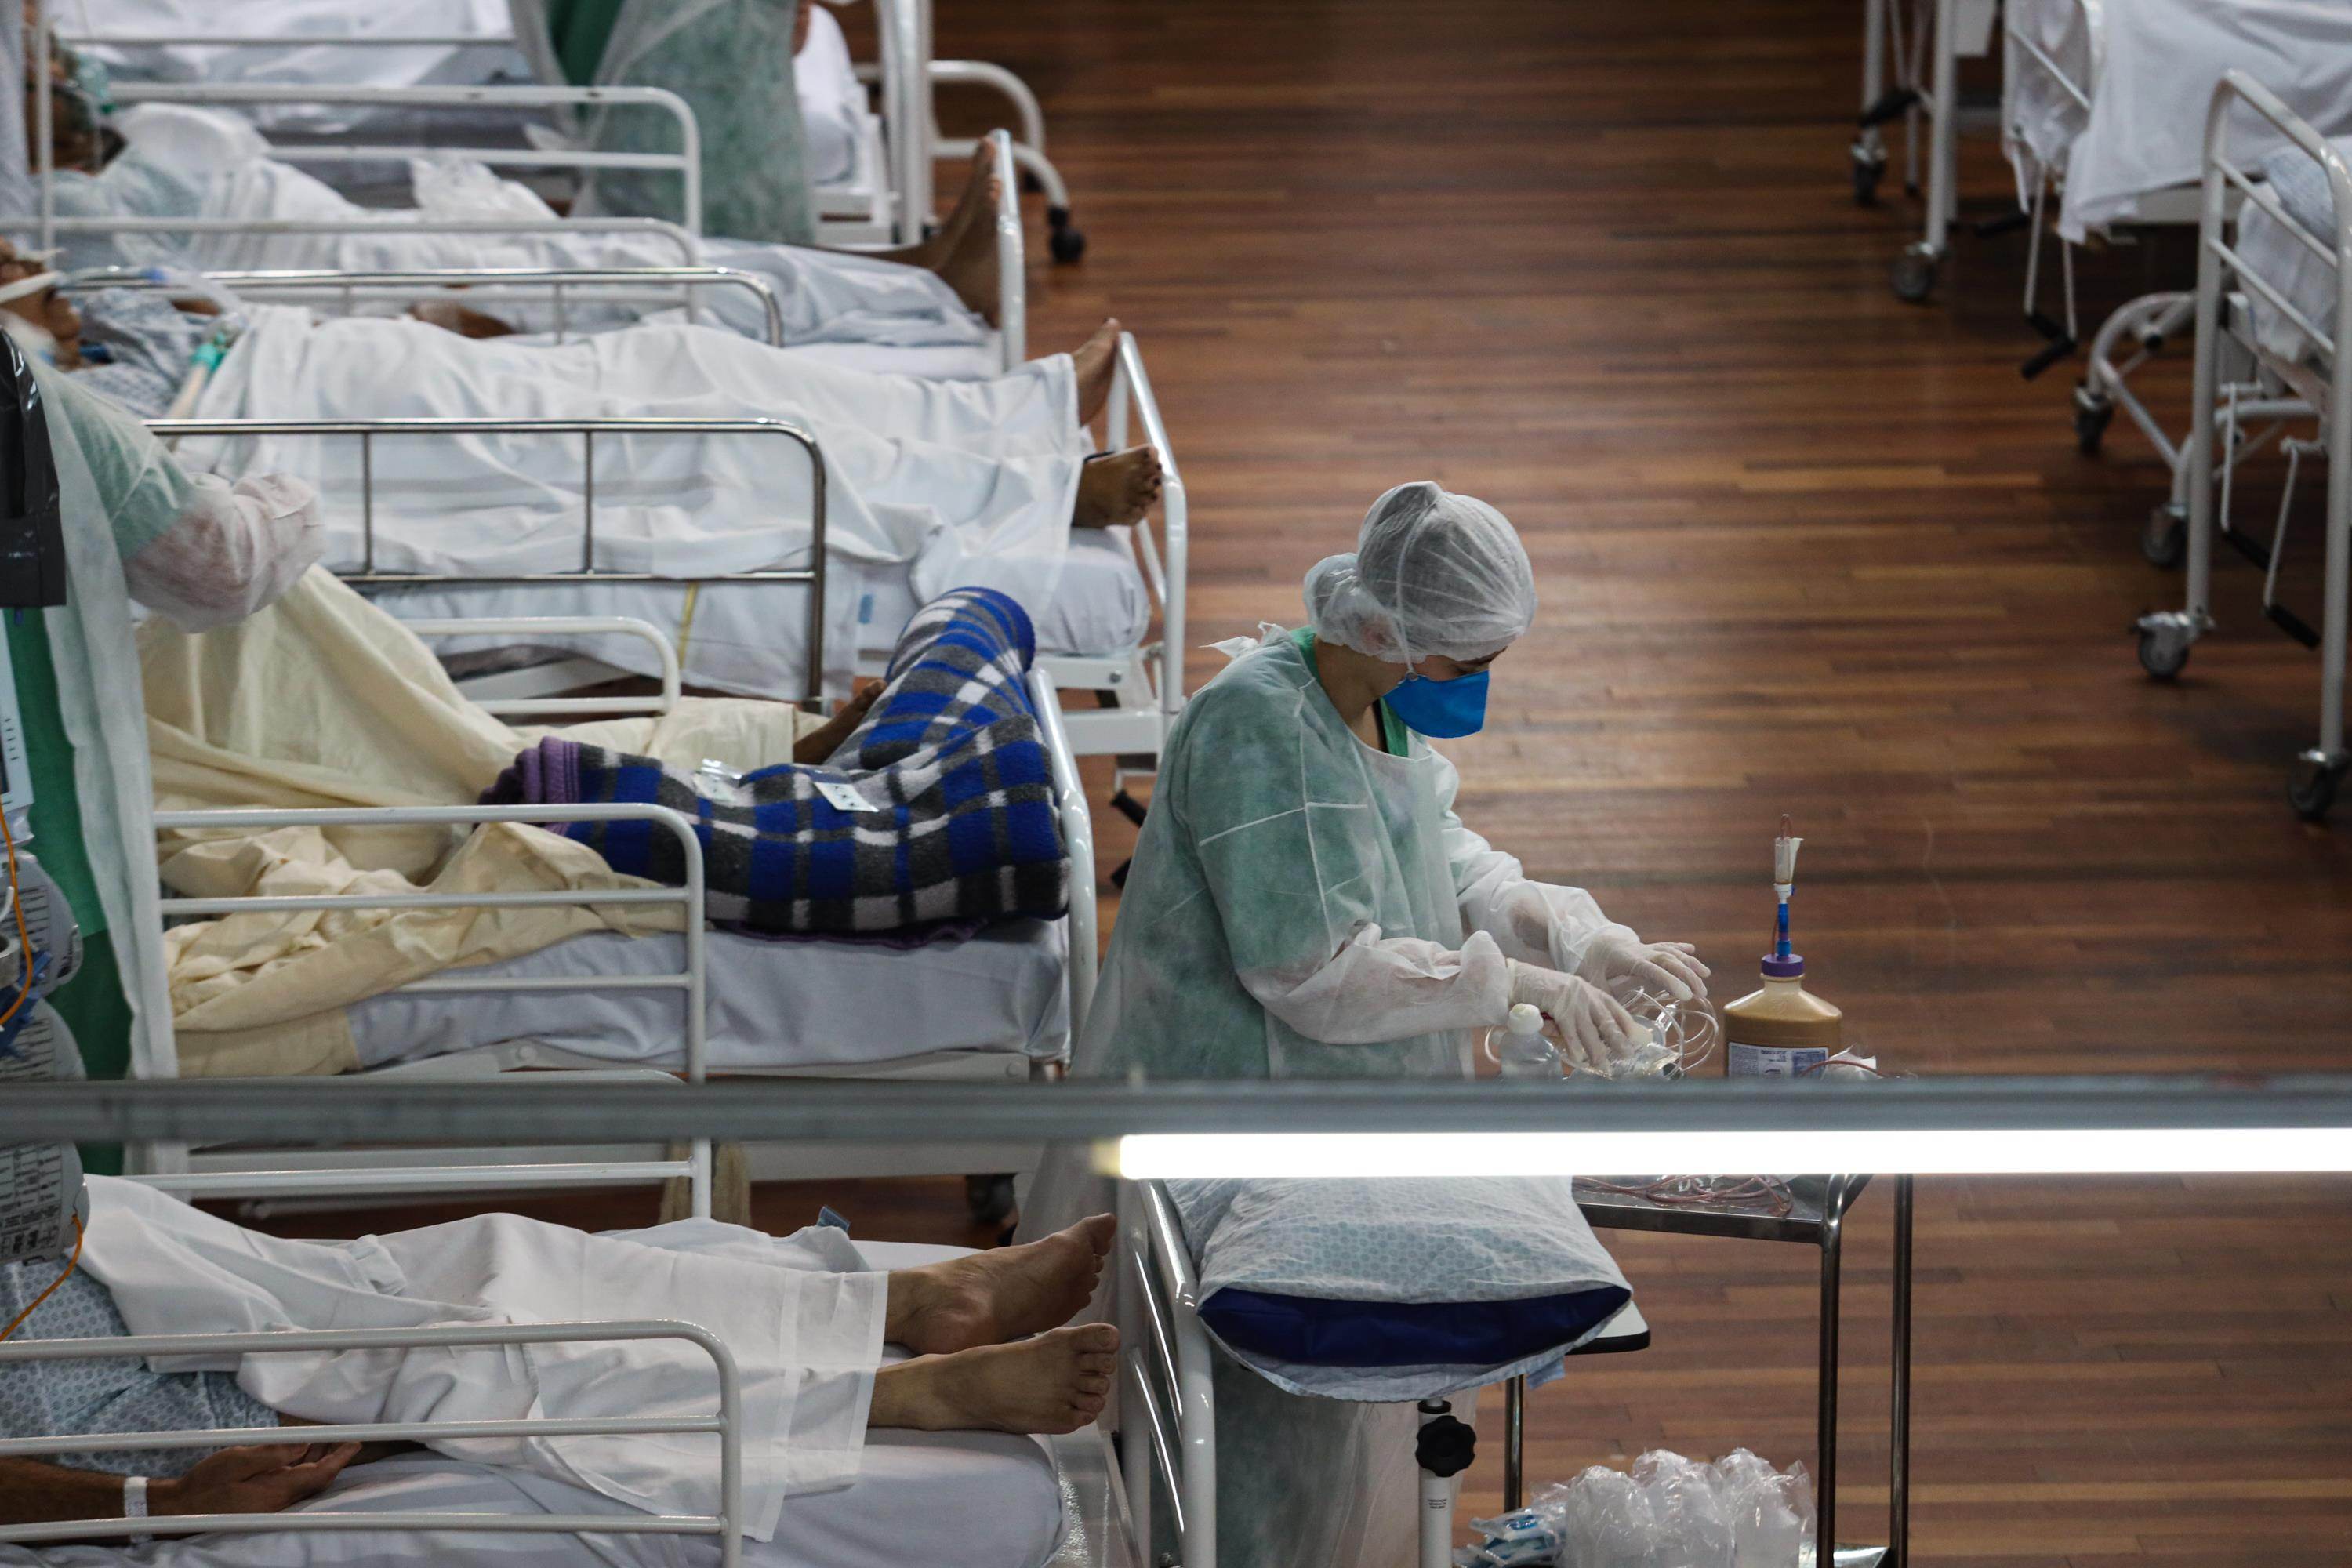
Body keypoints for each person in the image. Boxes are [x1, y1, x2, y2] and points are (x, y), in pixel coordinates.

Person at [1023, 481, 1709, 1568]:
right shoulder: (1259, 729)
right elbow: (1315, 977)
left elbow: (1440, 849)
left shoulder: (1376, 697)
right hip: (1231, 1112)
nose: (1475, 684)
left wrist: (1577, 934)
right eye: (1465, 662)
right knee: (1261, 1462)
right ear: (1393, 629)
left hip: (1332, 1105)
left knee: (1347, 1456)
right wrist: (1516, 988)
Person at [0, 1185, 1120, 1533]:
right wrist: (160, 1501)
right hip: (110, 1402)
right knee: (473, 1359)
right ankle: (886, 1394)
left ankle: (903, 1300)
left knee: (497, 1257)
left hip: (125, 1265)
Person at [0, 304, 319, 1106]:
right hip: (46, 869)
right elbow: (222, 562)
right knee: (62, 1187)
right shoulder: (42, 410)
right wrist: (291, 496)